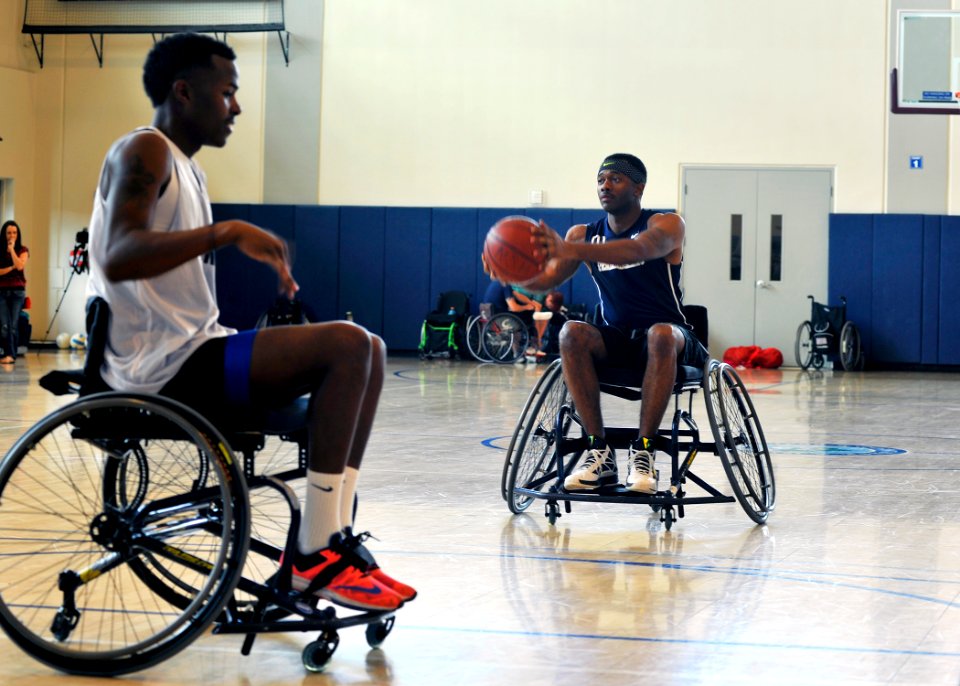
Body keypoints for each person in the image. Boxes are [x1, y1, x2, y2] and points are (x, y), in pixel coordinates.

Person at [85, 33, 414, 612]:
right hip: (158, 370)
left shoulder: (184, 167)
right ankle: (315, 554)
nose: (236, 107)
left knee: (372, 349)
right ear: (184, 93)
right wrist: (227, 232)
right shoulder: (145, 151)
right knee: (346, 344)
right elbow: (115, 254)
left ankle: (330, 538)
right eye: (227, 92)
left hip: (192, 354)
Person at [485, 153, 708, 494]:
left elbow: (639, 250)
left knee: (659, 334)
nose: (605, 186)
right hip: (618, 338)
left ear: (638, 187)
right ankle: (597, 451)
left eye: (615, 179)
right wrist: (512, 276)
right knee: (571, 332)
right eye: (601, 180)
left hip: (674, 339)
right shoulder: (583, 234)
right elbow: (547, 282)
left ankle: (644, 452)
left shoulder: (666, 224)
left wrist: (573, 249)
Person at [0, 220, 29, 365]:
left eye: (14, 232)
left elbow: (19, 266)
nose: (12, 235)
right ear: (4, 234)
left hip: (18, 292)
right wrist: (11, 267)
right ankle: (7, 353)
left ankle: (11, 355)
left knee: (13, 326)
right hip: (1, 291)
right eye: (9, 233)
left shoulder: (23, 250)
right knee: (4, 325)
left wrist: (11, 250)